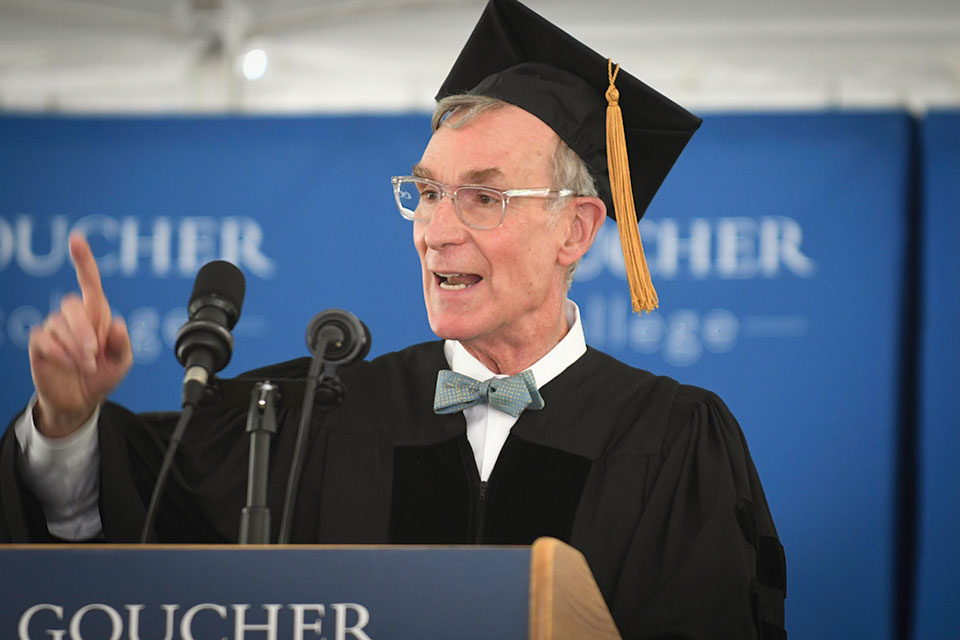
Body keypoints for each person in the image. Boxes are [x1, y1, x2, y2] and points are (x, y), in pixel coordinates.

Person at [0, 0, 786, 638]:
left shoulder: (672, 442)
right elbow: (128, 543)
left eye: (483, 196)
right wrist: (67, 424)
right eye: (428, 191)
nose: (436, 228)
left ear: (575, 229)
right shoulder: (309, 419)